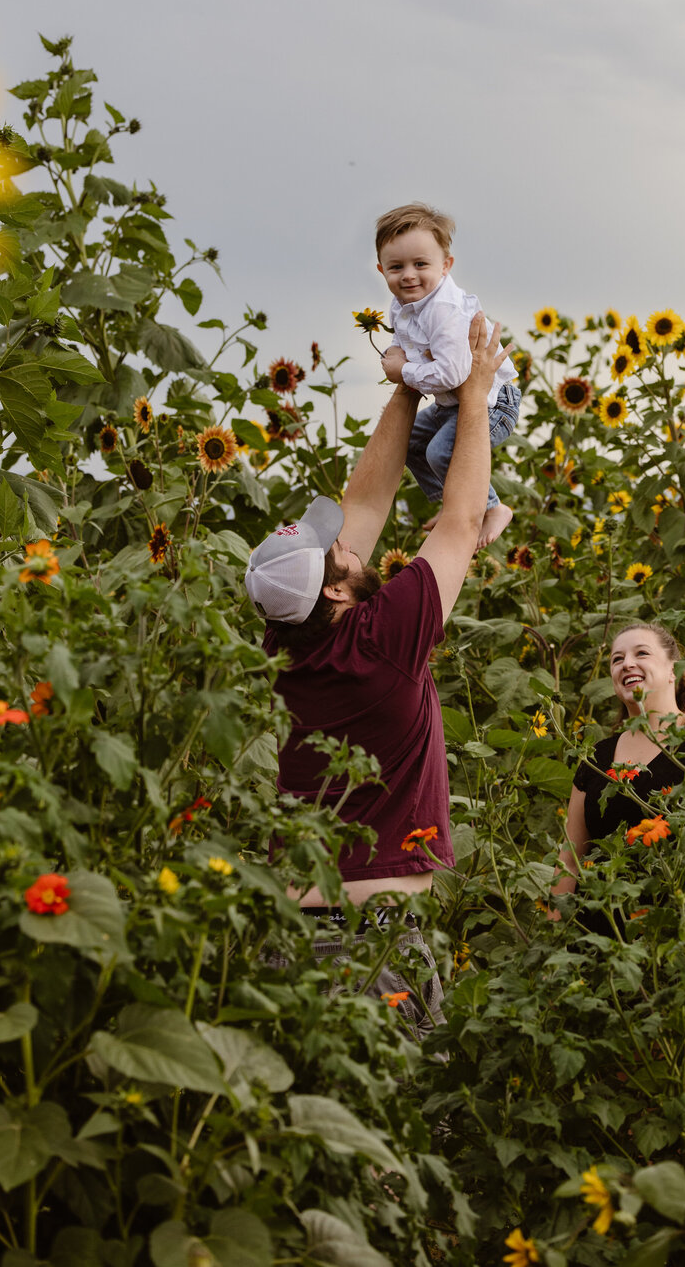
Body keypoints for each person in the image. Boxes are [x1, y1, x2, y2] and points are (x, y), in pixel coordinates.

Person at [246, 312, 507, 1037]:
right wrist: (476, 394)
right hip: (373, 941)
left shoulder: (281, 642)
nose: (353, 544)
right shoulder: (383, 639)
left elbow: (365, 503)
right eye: (342, 555)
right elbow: (457, 522)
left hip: (287, 936)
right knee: (392, 1137)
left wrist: (410, 385)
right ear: (335, 589)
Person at [551, 622, 685, 902]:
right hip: (598, 933)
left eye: (641, 653)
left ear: (673, 670)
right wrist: (552, 937)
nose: (626, 664)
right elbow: (569, 864)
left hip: (684, 933)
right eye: (617, 659)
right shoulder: (596, 758)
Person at [374, 201, 519, 549]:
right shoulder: (404, 303)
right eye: (397, 267)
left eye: (420, 264)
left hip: (493, 404)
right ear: (381, 271)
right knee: (409, 444)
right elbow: (404, 337)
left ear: (445, 266)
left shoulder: (443, 310)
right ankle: (454, 503)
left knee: (440, 453)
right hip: (451, 406)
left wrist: (403, 371)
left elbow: (454, 374)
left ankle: (493, 508)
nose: (408, 274)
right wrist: (395, 350)